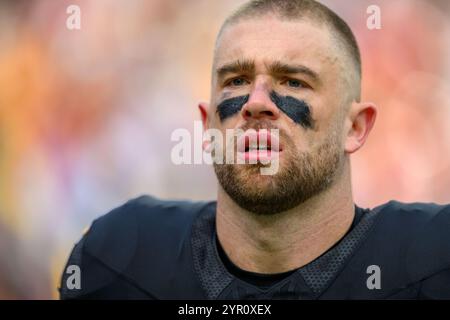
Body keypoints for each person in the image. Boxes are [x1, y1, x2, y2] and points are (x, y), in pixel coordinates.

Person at [60, 0, 450, 299]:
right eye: (236, 79)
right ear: (207, 124)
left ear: (355, 127)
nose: (256, 101)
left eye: (294, 82)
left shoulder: (432, 260)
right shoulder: (121, 258)